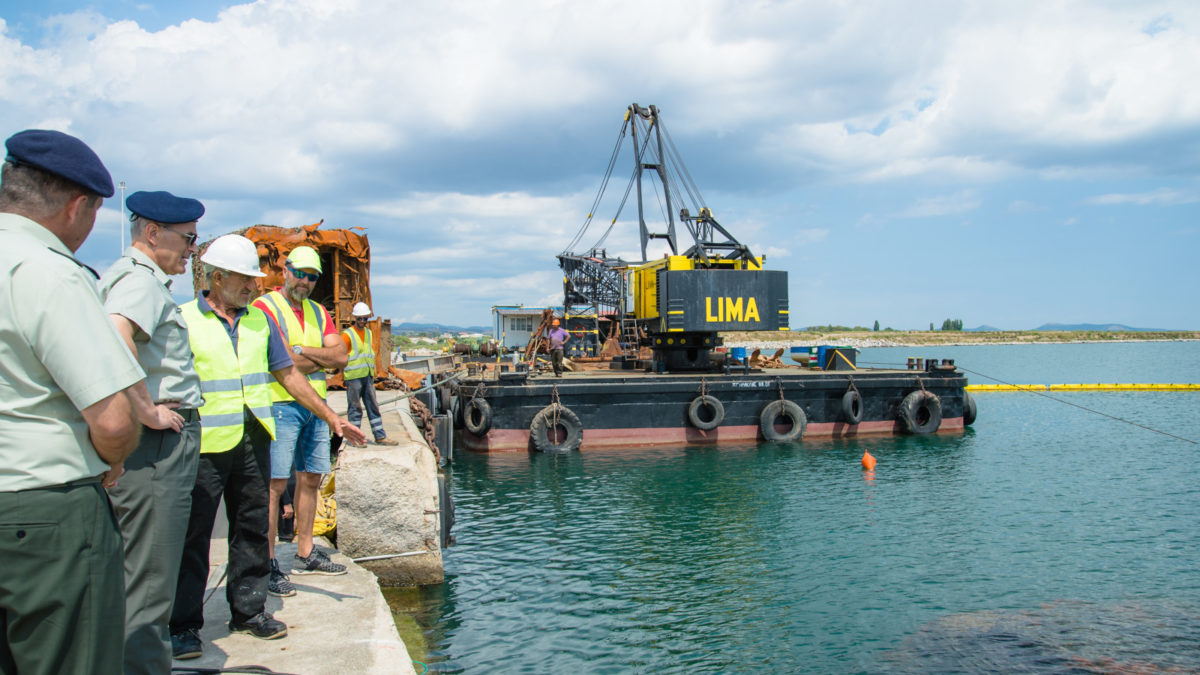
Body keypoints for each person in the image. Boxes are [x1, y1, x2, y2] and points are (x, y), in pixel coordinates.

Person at [169, 235, 367, 659]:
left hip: (253, 437)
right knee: (194, 535)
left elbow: (289, 375)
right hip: (204, 443)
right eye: (244, 280)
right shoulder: (184, 319)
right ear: (217, 278)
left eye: (255, 280)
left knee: (253, 527)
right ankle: (183, 625)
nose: (252, 287)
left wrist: (332, 416)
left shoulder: (260, 324)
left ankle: (248, 611)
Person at [0, 129, 146, 674]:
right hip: (43, 512)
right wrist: (114, 459)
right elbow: (111, 418)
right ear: (78, 206)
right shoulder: (47, 271)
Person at [98, 190, 206, 675]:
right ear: (152, 233)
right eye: (187, 240)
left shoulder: (138, 280)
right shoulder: (140, 283)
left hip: (157, 447)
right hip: (159, 449)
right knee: (149, 579)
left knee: (139, 571)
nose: (192, 250)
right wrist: (147, 410)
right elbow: (115, 334)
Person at [251, 246, 352, 596]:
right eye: (300, 273)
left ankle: (306, 551)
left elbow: (340, 357)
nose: (305, 282)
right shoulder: (265, 307)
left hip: (316, 406)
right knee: (275, 487)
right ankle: (267, 564)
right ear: (285, 271)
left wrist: (301, 352)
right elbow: (277, 362)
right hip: (280, 404)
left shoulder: (319, 311)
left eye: (312, 277)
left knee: (311, 478)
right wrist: (308, 358)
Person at [342, 301, 399, 448]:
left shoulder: (368, 333)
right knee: (355, 408)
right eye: (359, 319)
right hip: (353, 377)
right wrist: (343, 376)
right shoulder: (347, 335)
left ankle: (380, 436)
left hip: (367, 376)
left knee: (372, 406)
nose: (362, 321)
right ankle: (355, 438)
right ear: (354, 318)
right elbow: (341, 356)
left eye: (364, 319)